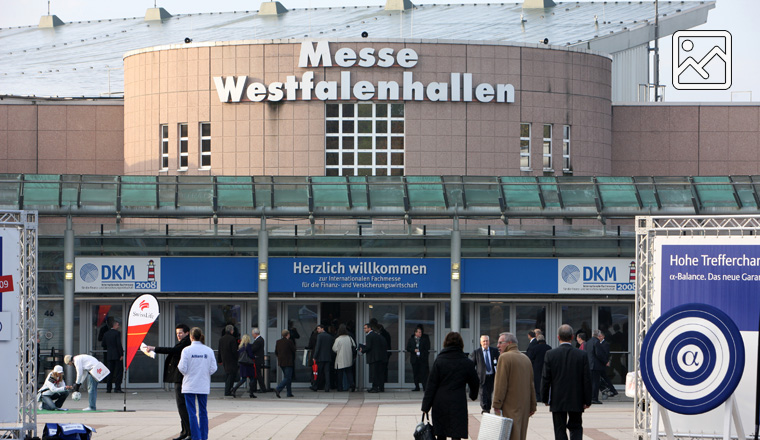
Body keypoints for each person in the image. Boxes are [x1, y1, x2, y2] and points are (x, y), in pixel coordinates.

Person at [421, 332, 479, 440]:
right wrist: (473, 395)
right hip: (458, 402)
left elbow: (431, 385)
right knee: (456, 433)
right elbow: (475, 382)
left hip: (440, 402)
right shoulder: (467, 362)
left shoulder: (439, 361)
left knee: (441, 434)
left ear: (446, 343)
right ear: (461, 344)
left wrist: (426, 406)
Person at [541, 324, 592, 440]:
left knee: (559, 429)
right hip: (576, 398)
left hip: (557, 398)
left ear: (558, 337)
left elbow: (545, 378)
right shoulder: (582, 355)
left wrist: (544, 398)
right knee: (576, 427)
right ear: (573, 337)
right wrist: (588, 400)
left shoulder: (550, 354)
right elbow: (587, 379)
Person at [147, 324, 192, 440]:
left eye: (180, 333)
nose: (178, 335)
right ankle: (184, 432)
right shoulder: (184, 342)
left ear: (187, 333)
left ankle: (189, 432)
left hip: (181, 378)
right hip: (180, 377)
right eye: (177, 333)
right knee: (181, 406)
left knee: (182, 405)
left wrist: (154, 348)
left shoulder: (186, 343)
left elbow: (174, 350)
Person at [492, 332, 536, 440]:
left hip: (509, 406)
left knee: (509, 435)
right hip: (524, 407)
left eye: (500, 343)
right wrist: (532, 405)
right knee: (521, 435)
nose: (498, 346)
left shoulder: (504, 358)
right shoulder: (526, 359)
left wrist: (496, 403)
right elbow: (531, 385)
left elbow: (500, 384)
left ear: (509, 343)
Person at [178, 327, 217, 440]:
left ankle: (196, 437)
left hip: (189, 385)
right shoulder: (208, 350)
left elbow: (182, 368)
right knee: (203, 412)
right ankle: (204, 436)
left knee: (192, 413)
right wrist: (204, 373)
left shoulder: (186, 350)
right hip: (203, 384)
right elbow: (213, 368)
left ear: (191, 337)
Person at [470, 334, 499, 414]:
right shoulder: (477, 352)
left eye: (487, 341)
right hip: (482, 376)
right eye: (484, 341)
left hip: (492, 376)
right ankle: (484, 408)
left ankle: (488, 407)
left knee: (489, 393)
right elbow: (472, 365)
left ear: (489, 342)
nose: (485, 342)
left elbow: (499, 362)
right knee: (482, 393)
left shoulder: (494, 351)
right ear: (480, 342)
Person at [359, 322, 388, 393]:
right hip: (379, 357)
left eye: (365, 328)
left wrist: (362, 350)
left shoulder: (369, 336)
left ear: (369, 328)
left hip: (373, 357)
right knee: (379, 373)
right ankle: (380, 387)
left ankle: (374, 388)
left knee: (374, 373)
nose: (364, 329)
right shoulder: (377, 335)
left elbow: (368, 347)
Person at [594, 330, 618, 399]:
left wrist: (605, 361)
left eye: (600, 336)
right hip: (600, 364)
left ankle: (611, 389)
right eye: (598, 336)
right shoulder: (598, 343)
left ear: (603, 336)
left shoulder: (605, 344)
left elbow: (606, 354)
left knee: (604, 377)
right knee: (603, 377)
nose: (599, 337)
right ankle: (610, 389)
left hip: (603, 363)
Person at [231, 334, 257, 398]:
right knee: (252, 378)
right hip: (248, 364)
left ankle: (234, 389)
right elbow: (250, 355)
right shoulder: (248, 345)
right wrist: (255, 357)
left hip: (242, 364)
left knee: (243, 379)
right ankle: (251, 393)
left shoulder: (240, 346)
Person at [101, 318, 124, 393]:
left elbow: (103, 344)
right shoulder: (117, 333)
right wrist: (121, 354)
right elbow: (118, 344)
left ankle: (108, 388)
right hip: (117, 355)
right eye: (117, 325)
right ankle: (117, 388)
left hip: (109, 355)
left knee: (109, 372)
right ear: (114, 325)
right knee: (119, 372)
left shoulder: (106, 334)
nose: (118, 326)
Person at [406, 325, 431, 391]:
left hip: (422, 359)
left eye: (421, 332)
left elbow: (427, 349)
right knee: (415, 373)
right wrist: (414, 350)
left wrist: (423, 354)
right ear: (415, 333)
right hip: (414, 359)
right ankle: (417, 386)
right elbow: (408, 348)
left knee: (423, 373)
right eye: (419, 332)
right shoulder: (411, 340)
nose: (420, 333)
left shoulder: (424, 340)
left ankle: (424, 387)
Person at [332, 324, 356, 392]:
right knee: (349, 373)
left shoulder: (338, 339)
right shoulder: (350, 338)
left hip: (340, 358)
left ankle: (340, 387)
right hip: (348, 358)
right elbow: (354, 346)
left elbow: (334, 349)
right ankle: (352, 384)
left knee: (340, 374)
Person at [311, 324, 334, 392]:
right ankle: (327, 387)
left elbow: (317, 347)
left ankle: (315, 386)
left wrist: (314, 356)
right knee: (327, 373)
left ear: (322, 328)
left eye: (318, 328)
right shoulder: (329, 336)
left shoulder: (320, 336)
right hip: (328, 357)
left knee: (318, 372)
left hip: (320, 357)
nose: (317, 330)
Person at [369, 318, 391, 389]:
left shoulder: (380, 336)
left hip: (380, 356)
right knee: (381, 371)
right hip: (383, 355)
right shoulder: (385, 335)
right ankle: (380, 386)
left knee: (378, 372)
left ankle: (377, 386)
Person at [218, 324, 239, 397]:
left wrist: (219, 360)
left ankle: (227, 390)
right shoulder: (232, 339)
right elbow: (234, 351)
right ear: (231, 331)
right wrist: (237, 357)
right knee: (231, 376)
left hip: (225, 359)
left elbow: (219, 350)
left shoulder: (221, 339)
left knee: (227, 375)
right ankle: (228, 391)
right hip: (232, 360)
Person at [274, 329, 296, 398]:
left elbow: (276, 352)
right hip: (288, 362)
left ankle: (289, 393)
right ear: (288, 335)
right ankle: (278, 388)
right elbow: (293, 350)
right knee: (288, 377)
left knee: (288, 377)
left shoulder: (278, 342)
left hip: (281, 362)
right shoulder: (289, 342)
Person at [530, 334, 552, 401]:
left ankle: (538, 397)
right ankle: (545, 396)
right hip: (546, 367)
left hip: (536, 368)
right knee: (546, 382)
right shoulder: (549, 348)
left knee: (537, 383)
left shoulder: (534, 348)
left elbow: (531, 359)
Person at [585, 330, 602, 404]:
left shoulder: (588, 342)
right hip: (595, 365)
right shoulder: (596, 342)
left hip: (589, 364)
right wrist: (604, 361)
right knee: (595, 382)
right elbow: (598, 353)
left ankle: (589, 397)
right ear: (598, 335)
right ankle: (594, 398)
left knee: (590, 382)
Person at [251, 327, 268, 393]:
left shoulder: (258, 340)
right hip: (258, 359)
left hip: (257, 359)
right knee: (256, 374)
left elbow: (253, 349)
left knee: (258, 374)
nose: (252, 335)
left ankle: (263, 388)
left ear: (255, 334)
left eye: (253, 334)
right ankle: (254, 388)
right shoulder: (260, 340)